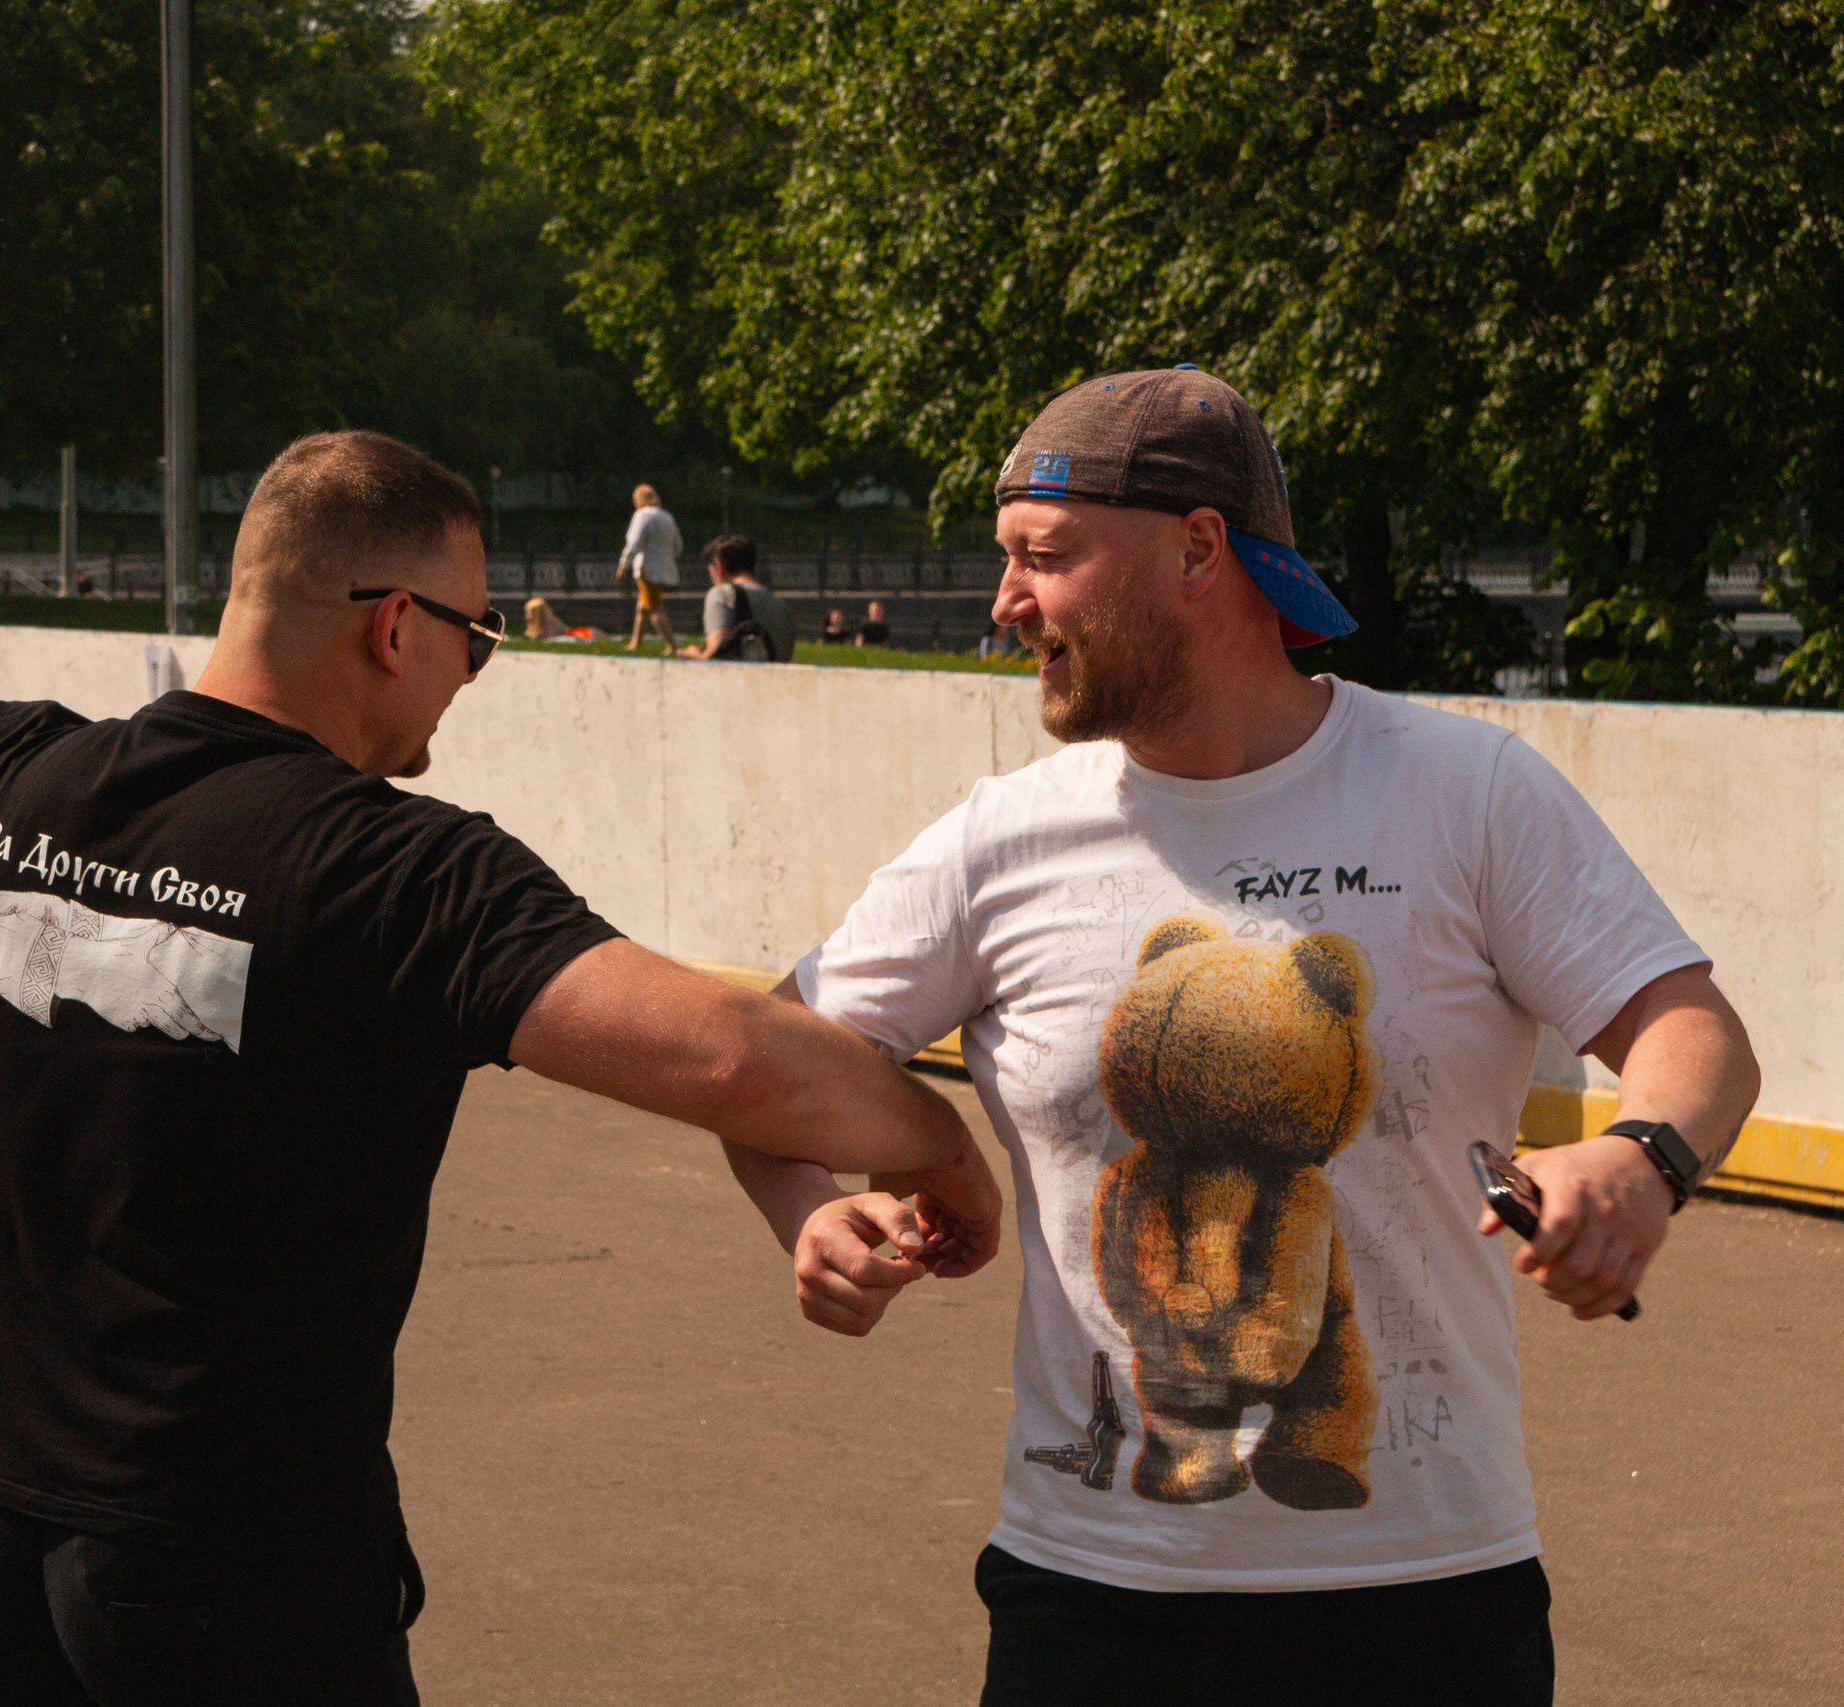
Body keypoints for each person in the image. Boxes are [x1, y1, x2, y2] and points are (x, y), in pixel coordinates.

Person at [0, 429, 999, 1706]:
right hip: (226, 1552)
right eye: (475, 639)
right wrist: (943, 1153)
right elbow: (734, 1057)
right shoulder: (396, 873)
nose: (471, 673)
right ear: (393, 626)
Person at [722, 367, 1760, 1707]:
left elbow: (1691, 1027)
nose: (1005, 601)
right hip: (1095, 1597)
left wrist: (1640, 1154)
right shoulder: (997, 841)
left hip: (1424, 1599)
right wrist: (808, 1209)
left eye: (1044, 556)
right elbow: (766, 1064)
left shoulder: (1463, 791)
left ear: (1197, 548)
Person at [677, 534, 794, 662]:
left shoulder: (722, 594)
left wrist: (692, 654)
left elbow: (713, 660)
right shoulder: (782, 606)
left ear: (719, 566)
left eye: (710, 571)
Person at [615, 482, 681, 651]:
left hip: (647, 569)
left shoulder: (642, 516)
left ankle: (671, 645)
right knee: (643, 607)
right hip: (665, 568)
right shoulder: (666, 516)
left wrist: (623, 565)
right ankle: (635, 642)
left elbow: (633, 543)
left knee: (654, 607)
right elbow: (678, 546)